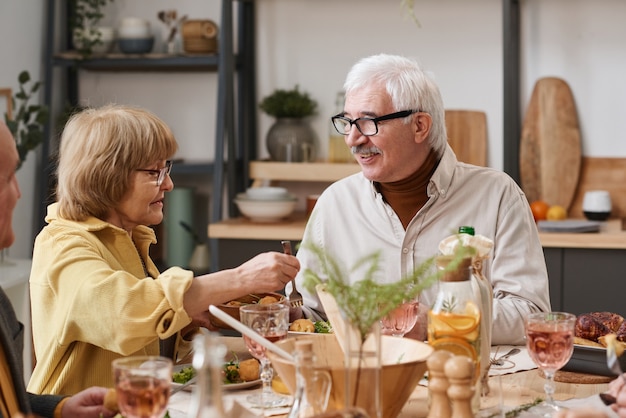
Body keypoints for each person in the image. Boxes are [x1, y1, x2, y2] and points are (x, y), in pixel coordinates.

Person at [27, 104, 300, 395]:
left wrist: (184, 322)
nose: (168, 184)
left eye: (166, 169)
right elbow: (124, 314)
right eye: (154, 172)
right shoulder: (62, 244)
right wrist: (242, 277)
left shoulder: (129, 241)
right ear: (107, 176)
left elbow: (143, 343)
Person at [290, 53, 551, 345]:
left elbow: (529, 314)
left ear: (419, 126)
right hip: (367, 384)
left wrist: (439, 322)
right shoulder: (335, 203)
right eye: (348, 122)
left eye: (367, 123)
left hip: (466, 382)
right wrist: (263, 303)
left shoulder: (499, 196)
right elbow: (308, 315)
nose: (352, 139)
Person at [0, 121, 116, 417]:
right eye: (6, 178)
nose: (18, 193)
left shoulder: (1, 303)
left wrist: (60, 408)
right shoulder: (64, 242)